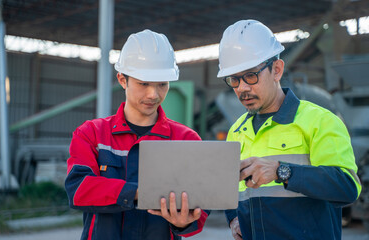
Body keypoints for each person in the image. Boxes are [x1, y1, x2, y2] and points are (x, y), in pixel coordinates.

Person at [217, 19, 361, 240]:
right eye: (234, 79)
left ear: (276, 69)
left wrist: (282, 171)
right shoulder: (237, 130)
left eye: (250, 75)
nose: (243, 88)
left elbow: (347, 187)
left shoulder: (320, 121)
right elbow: (231, 190)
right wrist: (233, 218)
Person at [65, 29, 208, 240]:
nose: (154, 94)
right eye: (143, 83)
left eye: (162, 84)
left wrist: (185, 223)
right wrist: (140, 192)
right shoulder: (92, 134)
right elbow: (78, 190)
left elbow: (202, 203)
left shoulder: (186, 139)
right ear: (123, 80)